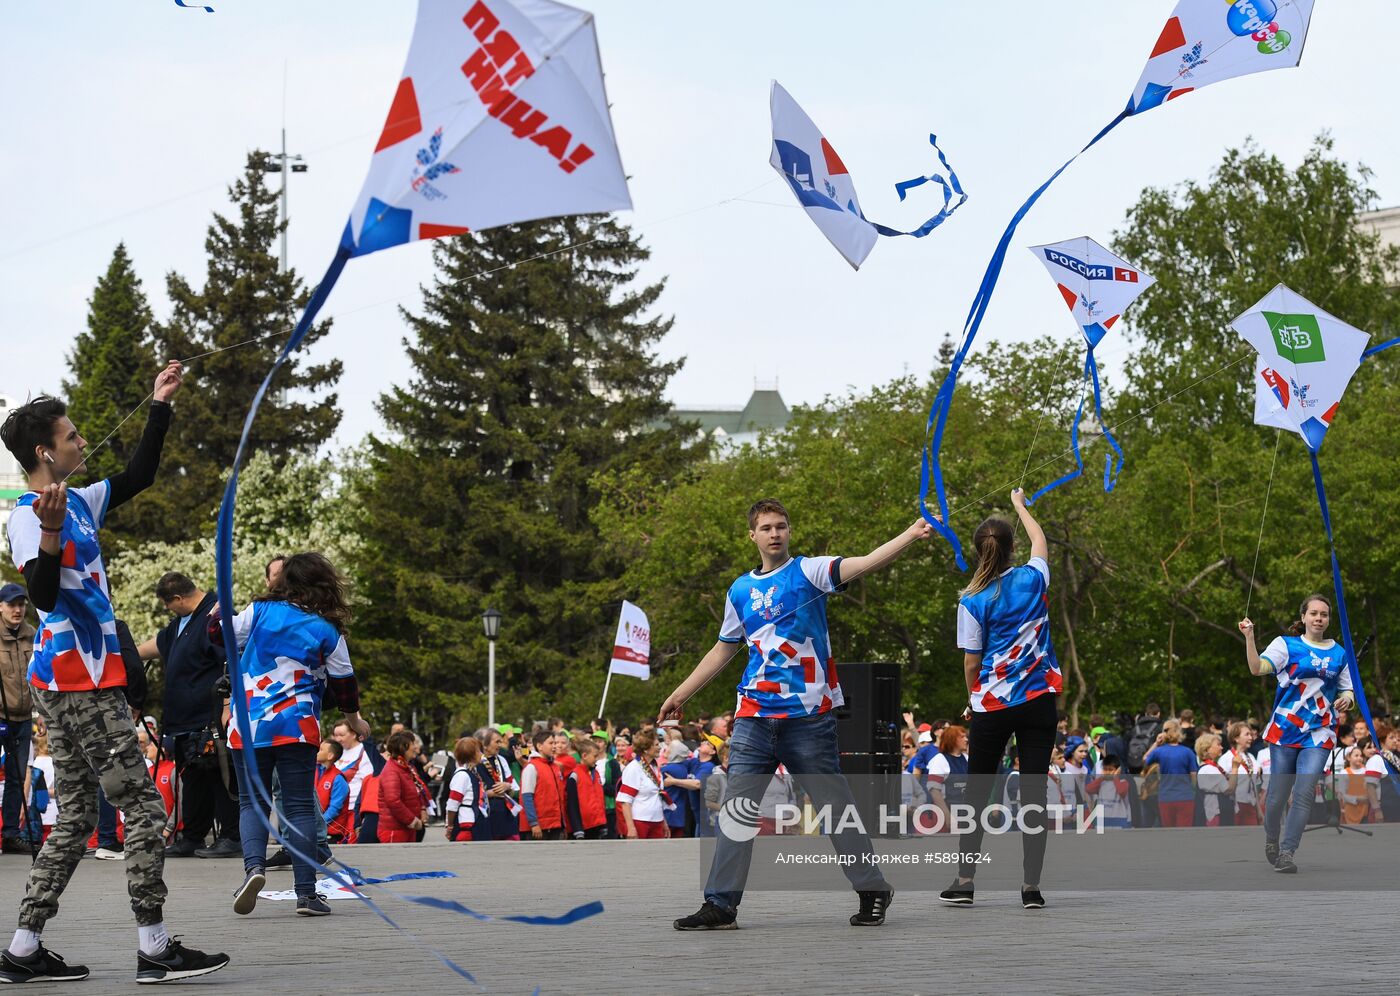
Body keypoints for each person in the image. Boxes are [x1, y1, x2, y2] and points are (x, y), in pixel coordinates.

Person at [0, 370, 230, 983]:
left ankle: (22, 950)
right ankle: (154, 949)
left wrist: (157, 406)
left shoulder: (77, 499)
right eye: (72, 436)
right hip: (78, 680)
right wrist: (49, 534)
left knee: (75, 819)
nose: (83, 442)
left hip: (83, 677)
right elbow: (44, 594)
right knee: (146, 811)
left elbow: (139, 475)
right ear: (46, 451)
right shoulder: (29, 515)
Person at [664, 498, 929, 930]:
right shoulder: (739, 590)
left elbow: (863, 564)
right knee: (737, 810)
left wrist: (910, 535)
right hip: (752, 716)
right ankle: (720, 904)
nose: (774, 533)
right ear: (752, 535)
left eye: (781, 526)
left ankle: (872, 887)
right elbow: (723, 648)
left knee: (834, 809)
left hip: (807, 717)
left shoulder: (810, 571)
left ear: (789, 531)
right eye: (766, 527)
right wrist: (681, 693)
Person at [222, 552, 369, 918]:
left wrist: (216, 613)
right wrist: (355, 720)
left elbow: (220, 634)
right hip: (296, 726)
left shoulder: (259, 612)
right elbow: (345, 684)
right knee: (300, 804)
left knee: (250, 801)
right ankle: (306, 893)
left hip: (248, 724)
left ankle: (253, 869)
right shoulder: (326, 630)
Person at [939, 490, 1059, 911]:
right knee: (1034, 794)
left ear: (978, 551)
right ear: (1012, 550)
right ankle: (1031, 888)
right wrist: (1021, 504)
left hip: (992, 703)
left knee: (978, 792)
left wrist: (973, 698)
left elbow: (972, 662)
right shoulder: (1033, 578)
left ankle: (965, 880)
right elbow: (1041, 541)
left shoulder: (970, 600)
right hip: (1038, 699)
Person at [1239, 593, 1355, 872]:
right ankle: (1271, 838)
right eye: (1313, 613)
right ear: (1303, 617)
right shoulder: (1286, 645)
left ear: (1328, 620)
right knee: (1278, 796)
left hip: (1320, 731)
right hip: (1285, 729)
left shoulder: (1340, 653)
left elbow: (1348, 690)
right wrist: (1249, 637)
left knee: (1304, 793)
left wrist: (1346, 700)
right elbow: (1257, 669)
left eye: (1324, 614)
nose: (1318, 618)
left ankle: (1287, 852)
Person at [137, 572, 239, 859]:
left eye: (169, 604)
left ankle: (232, 835)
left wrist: (228, 706)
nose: (168, 610)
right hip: (183, 720)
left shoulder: (216, 615)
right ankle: (192, 836)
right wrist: (128, 653)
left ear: (178, 598)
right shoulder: (180, 623)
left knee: (221, 776)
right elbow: (160, 644)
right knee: (193, 781)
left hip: (209, 715)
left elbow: (230, 659)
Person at [0, 582, 35, 855]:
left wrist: (42, 712)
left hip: (23, 718)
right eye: (12, 604)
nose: (17, 609)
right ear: (1, 607)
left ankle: (11, 834)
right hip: (0, 715)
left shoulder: (32, 635)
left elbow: (39, 676)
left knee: (15, 777)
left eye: (21, 604)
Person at [617, 729, 672, 840]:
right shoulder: (633, 768)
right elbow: (625, 801)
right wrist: (631, 828)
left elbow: (658, 796)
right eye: (656, 745)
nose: (660, 748)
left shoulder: (654, 767)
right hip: (640, 821)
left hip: (657, 821)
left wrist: (664, 822)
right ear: (646, 749)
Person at [378, 730, 431, 844]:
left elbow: (416, 792)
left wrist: (421, 809)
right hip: (395, 830)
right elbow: (392, 800)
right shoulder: (392, 770)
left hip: (406, 828)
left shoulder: (406, 768)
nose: (416, 747)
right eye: (413, 743)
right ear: (404, 747)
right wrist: (412, 820)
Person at [1143, 721, 1197, 828]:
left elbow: (1145, 759)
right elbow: (1193, 776)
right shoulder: (1188, 752)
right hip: (1185, 796)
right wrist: (1192, 790)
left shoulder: (1159, 751)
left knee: (1168, 832)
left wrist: (1156, 744)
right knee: (1184, 832)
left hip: (1165, 797)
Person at [474, 727, 520, 841]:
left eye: (501, 741)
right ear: (484, 745)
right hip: (486, 815)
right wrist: (489, 793)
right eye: (497, 742)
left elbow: (513, 786)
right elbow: (471, 792)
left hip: (505, 814)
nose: (500, 745)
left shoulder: (501, 760)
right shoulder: (475, 763)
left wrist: (507, 786)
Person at [520, 730, 565, 840]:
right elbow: (527, 797)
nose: (554, 746)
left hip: (554, 824)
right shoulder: (531, 767)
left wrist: (562, 824)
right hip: (538, 827)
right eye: (551, 743)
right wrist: (533, 823)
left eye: (555, 743)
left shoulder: (554, 766)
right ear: (540, 746)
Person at [1219, 721, 1262, 825]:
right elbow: (1222, 787)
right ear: (1236, 738)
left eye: (1251, 735)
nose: (1251, 738)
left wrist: (1259, 810)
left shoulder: (1251, 757)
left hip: (1250, 805)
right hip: (1234, 807)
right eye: (1247, 734)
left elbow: (1254, 786)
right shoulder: (1225, 759)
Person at [925, 725, 968, 829]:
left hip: (965, 815)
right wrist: (947, 816)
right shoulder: (939, 760)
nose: (966, 740)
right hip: (944, 817)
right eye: (962, 737)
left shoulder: (967, 758)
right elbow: (934, 790)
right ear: (951, 740)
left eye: (966, 736)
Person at [564, 737, 608, 839]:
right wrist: (577, 829)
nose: (596, 759)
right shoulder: (575, 776)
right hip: (584, 827)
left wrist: (603, 824)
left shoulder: (595, 773)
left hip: (598, 825)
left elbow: (600, 799)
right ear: (584, 756)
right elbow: (572, 805)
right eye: (594, 756)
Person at [1194, 733, 1240, 827]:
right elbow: (1229, 789)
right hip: (1215, 814)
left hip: (1219, 811)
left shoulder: (1213, 767)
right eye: (1218, 745)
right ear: (1207, 749)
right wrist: (1235, 768)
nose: (1222, 747)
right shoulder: (1208, 769)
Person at [315, 740, 352, 844]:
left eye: (321, 749)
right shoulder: (315, 772)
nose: (317, 751)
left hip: (331, 833)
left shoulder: (338, 779)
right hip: (315, 830)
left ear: (330, 756)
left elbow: (334, 809)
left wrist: (317, 823)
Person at [1364, 724, 1400, 823]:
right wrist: (1377, 809)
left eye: (1396, 738)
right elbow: (1370, 786)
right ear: (1382, 740)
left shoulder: (1395, 759)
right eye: (1391, 738)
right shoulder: (1376, 759)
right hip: (1384, 809)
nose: (1395, 741)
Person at [1085, 756, 1132, 829]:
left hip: (1119, 820)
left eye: (1110, 770)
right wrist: (1101, 778)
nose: (1107, 772)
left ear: (1118, 770)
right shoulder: (1101, 783)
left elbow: (1121, 791)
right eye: (1105, 769)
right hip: (1103, 820)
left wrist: (1116, 777)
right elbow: (1088, 789)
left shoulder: (1123, 782)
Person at [1340, 746, 1369, 825]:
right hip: (1350, 810)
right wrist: (1357, 799)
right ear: (1349, 757)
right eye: (1356, 756)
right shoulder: (1344, 773)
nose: (1359, 758)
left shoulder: (1367, 770)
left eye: (1361, 756)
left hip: (1365, 810)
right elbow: (1342, 794)